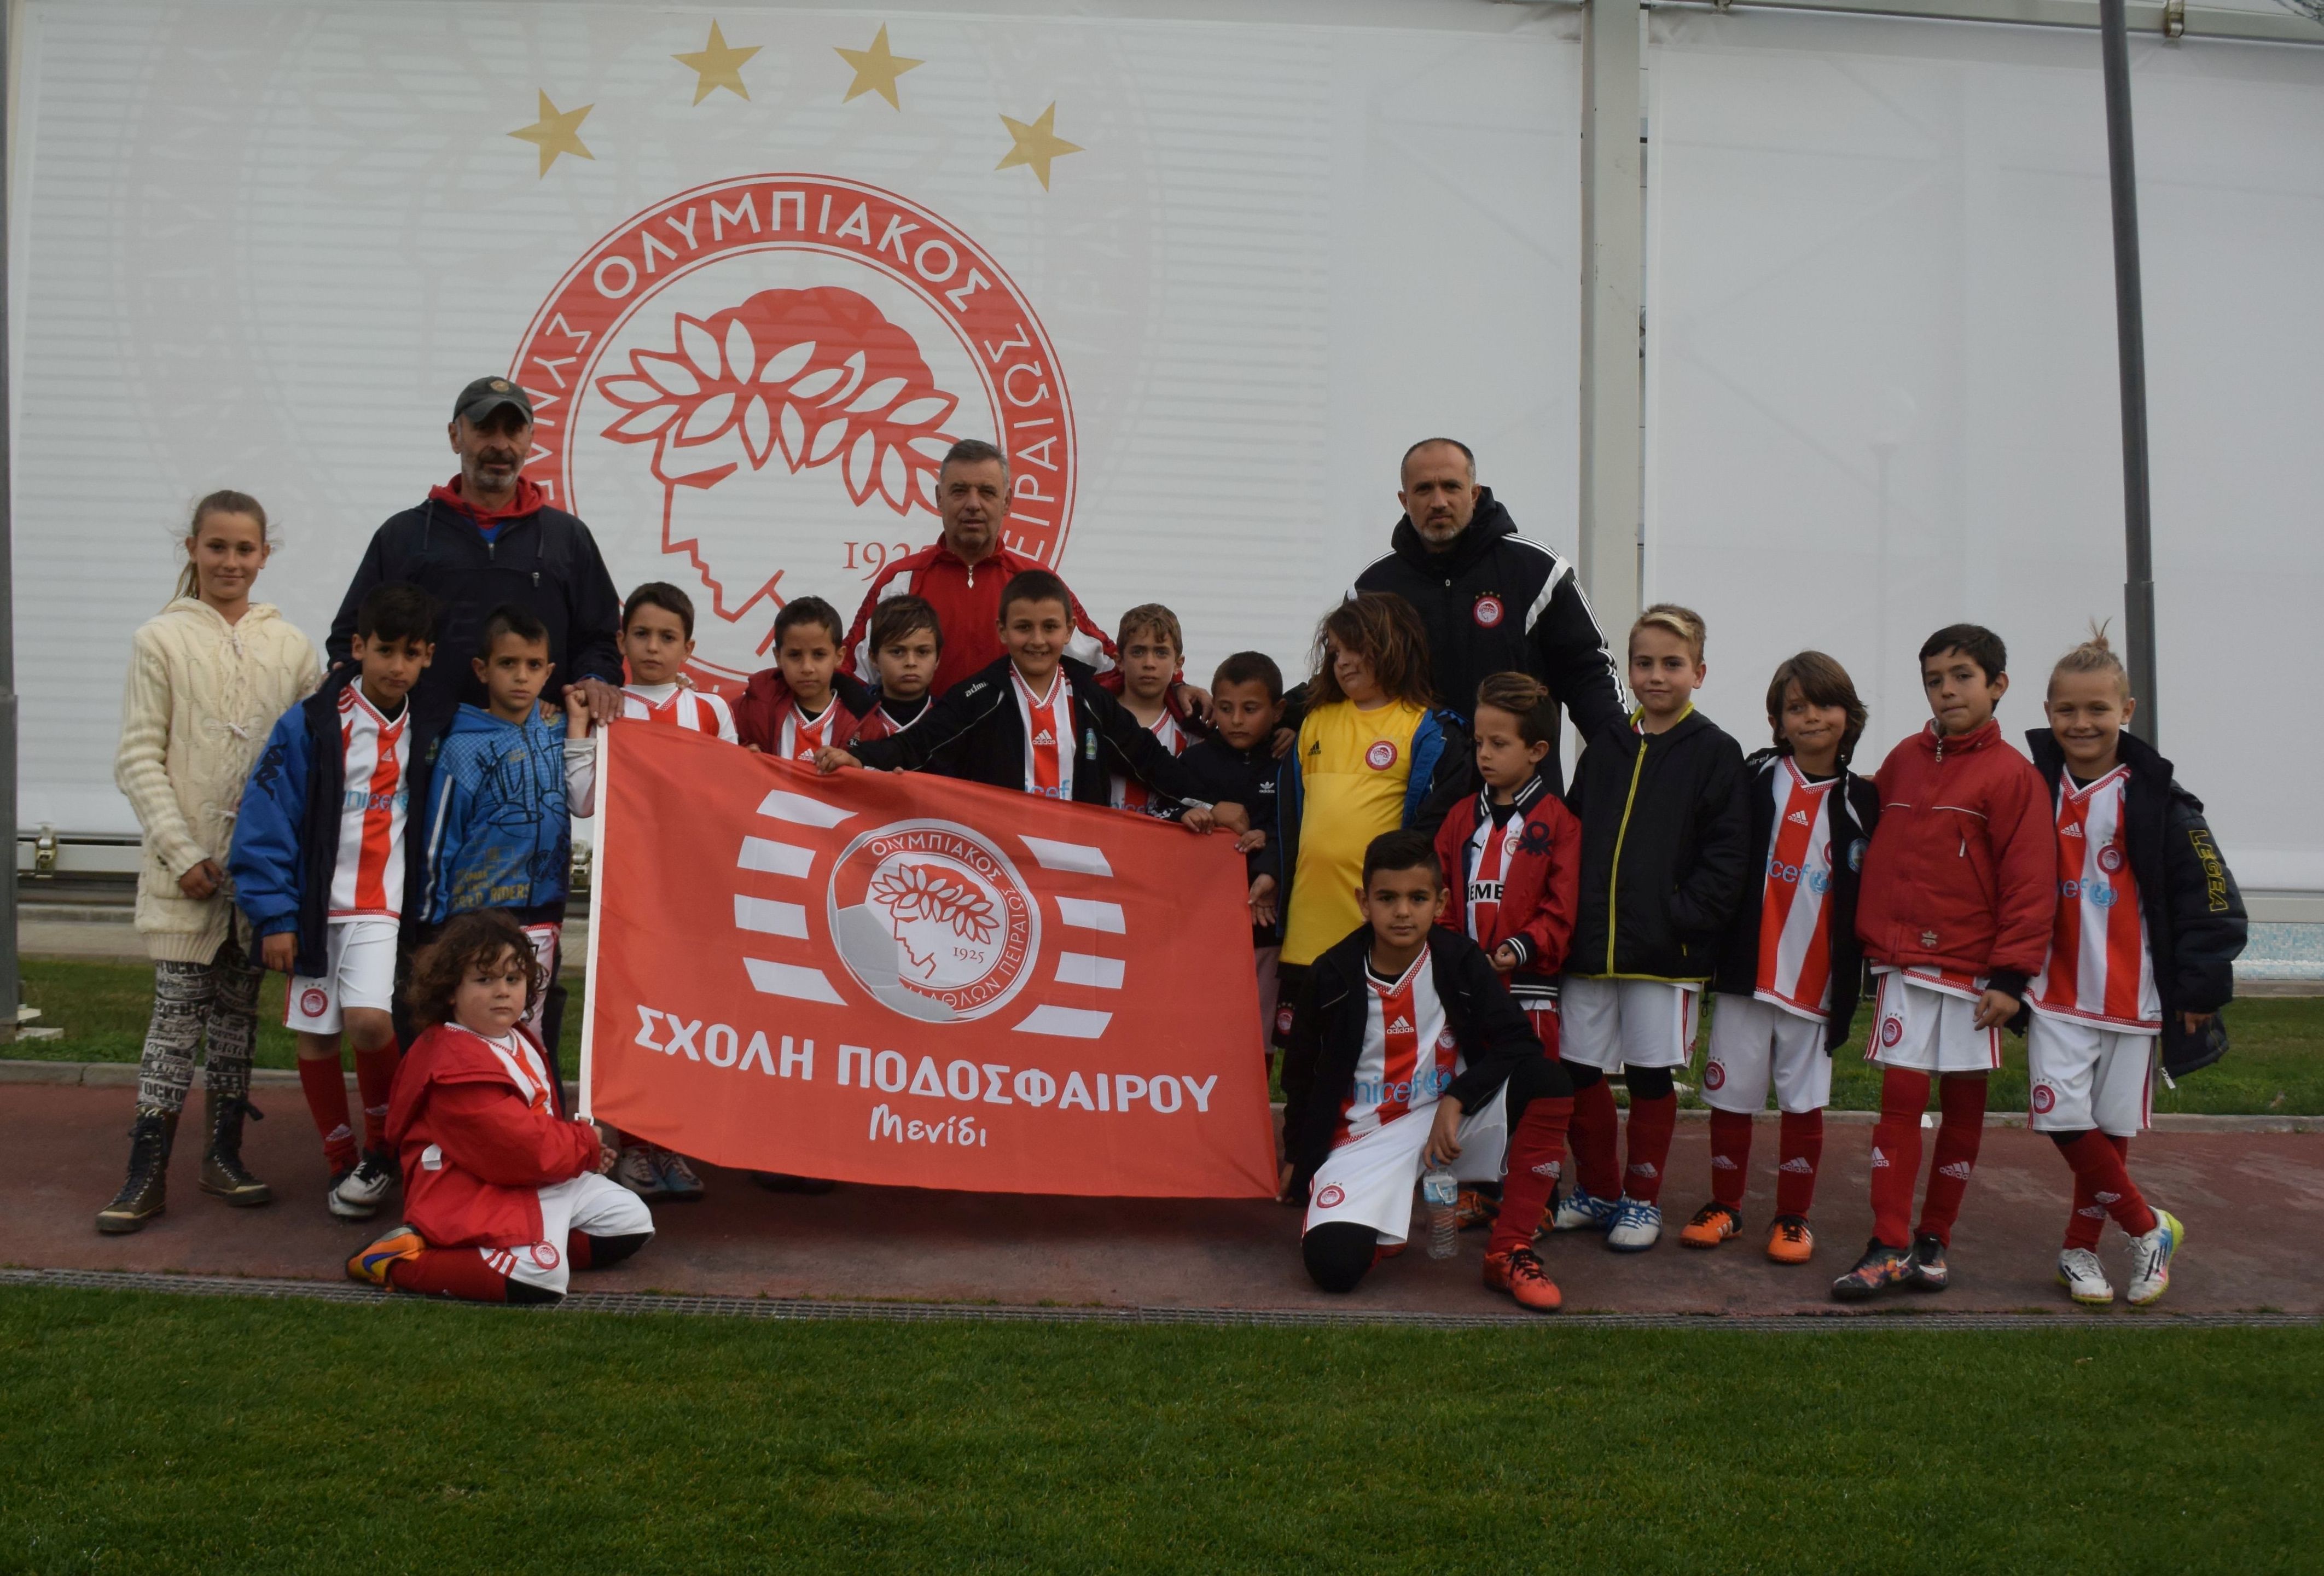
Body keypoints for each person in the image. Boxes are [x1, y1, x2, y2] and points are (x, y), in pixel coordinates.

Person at [98, 491, 321, 1233]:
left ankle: (224, 1155)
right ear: (192, 547)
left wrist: (279, 874)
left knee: (236, 1021)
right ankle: (145, 1171)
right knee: (174, 1020)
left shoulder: (291, 647)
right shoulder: (159, 639)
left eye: (244, 549)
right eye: (217, 546)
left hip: (256, 881)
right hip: (184, 877)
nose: (231, 561)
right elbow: (138, 758)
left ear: (265, 555)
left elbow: (308, 758)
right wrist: (182, 850)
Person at [1832, 625, 2056, 1303]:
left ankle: (1934, 1241)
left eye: (1962, 676)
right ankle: (1887, 1244)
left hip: (1975, 974)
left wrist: (2012, 978)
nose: (1947, 690)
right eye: (1935, 679)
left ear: (1998, 685)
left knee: (1963, 1106)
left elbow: (2030, 883)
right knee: (1900, 1101)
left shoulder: (2014, 776)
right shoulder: (1903, 757)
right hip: (1903, 964)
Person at [2023, 626, 2245, 1308]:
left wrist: (2201, 987)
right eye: (2067, 709)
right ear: (2048, 711)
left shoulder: (2162, 798)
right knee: (2060, 1114)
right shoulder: (2030, 786)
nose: (2081, 723)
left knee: (2111, 1128)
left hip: (2133, 993)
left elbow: (2211, 896)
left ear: (2127, 709)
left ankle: (2078, 1249)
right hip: (2053, 989)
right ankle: (2149, 1228)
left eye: (2098, 708)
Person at [1279, 830, 1574, 1311]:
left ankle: (1508, 1249)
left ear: (1440, 902)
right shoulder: (1330, 974)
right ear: (1364, 902)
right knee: (1334, 1267)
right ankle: (1380, 1228)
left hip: (1447, 1124)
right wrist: (1297, 1154)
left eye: (1417, 898)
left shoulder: (1459, 961)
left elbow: (1519, 1041)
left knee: (1548, 1081)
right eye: (1387, 898)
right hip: (1364, 1139)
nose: (1402, 912)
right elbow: (1299, 1074)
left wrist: (1457, 1098)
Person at [230, 582, 450, 1222]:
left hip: (379, 908)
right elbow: (267, 817)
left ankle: (382, 1148)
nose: (397, 666)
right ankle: (339, 1157)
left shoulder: (429, 729)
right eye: (385, 650)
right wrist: (274, 915)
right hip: (311, 911)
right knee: (317, 1036)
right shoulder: (312, 723)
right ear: (358, 647)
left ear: (429, 657)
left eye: (412, 653)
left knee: (371, 1023)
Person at [1553, 604, 1746, 1253]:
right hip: (1590, 948)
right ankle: (1598, 1190)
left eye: (1672, 663)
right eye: (1644, 663)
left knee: (1648, 1076)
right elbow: (1573, 833)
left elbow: (1727, 855)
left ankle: (1642, 1199)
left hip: (1664, 955)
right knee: (1578, 1068)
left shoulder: (1716, 751)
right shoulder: (1608, 744)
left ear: (1699, 672)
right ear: (1629, 670)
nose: (1656, 675)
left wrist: (1682, 918)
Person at [1680, 652, 1878, 1264]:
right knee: (1730, 1097)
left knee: (1803, 1102)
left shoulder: (1865, 801)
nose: (1811, 716)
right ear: (1778, 720)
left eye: (1825, 704)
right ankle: (1725, 1205)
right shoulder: (1755, 776)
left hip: (1816, 983)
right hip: (1747, 973)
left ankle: (1794, 1217)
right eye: (1797, 707)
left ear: (1850, 715)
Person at [348, 910, 653, 1304]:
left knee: (630, 1219)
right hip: (471, 1189)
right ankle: (397, 1261)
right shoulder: (453, 1062)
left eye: (513, 979)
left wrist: (581, 1150)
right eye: (485, 980)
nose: (502, 991)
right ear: (450, 991)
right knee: (542, 1278)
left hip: (523, 1176)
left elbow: (535, 1131)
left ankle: (526, 1249)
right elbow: (514, 1146)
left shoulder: (515, 1037)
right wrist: (583, 1144)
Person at [564, 582, 739, 1203]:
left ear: (690, 648)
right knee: (631, 1017)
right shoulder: (609, 707)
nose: (654, 647)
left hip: (692, 893)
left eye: (668, 637)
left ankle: (672, 1142)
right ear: (622, 641)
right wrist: (580, 729)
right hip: (628, 890)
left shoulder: (712, 711)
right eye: (642, 634)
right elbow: (583, 799)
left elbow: (730, 798)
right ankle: (634, 1146)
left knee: (685, 1019)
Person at [816, 571, 1220, 833]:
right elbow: (920, 744)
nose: (1038, 640)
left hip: (1078, 862)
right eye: (1024, 627)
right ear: (1003, 631)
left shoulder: (1092, 699)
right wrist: (861, 759)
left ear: (1069, 631)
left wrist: (1214, 805)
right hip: (1003, 862)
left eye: (1050, 627)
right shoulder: (979, 695)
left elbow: (1147, 757)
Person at [327, 377, 625, 722]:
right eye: (484, 429)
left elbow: (601, 640)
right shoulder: (404, 535)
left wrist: (594, 680)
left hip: (541, 742)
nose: (500, 445)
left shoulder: (568, 537)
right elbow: (351, 640)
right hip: (423, 741)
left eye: (513, 431)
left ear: (530, 440)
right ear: (455, 436)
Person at [1351, 438, 1626, 788]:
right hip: (1410, 800)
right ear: (1404, 501)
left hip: (1520, 801)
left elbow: (1588, 672)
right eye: (1424, 490)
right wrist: (1291, 716)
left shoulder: (1536, 571)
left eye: (1451, 487)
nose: (1439, 501)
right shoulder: (1373, 588)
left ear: (1474, 493)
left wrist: (1627, 753)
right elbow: (1339, 680)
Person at [1273, 593, 1466, 1060]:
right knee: (1305, 1065)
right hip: (1307, 929)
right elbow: (1289, 824)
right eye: (1335, 651)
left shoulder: (1427, 729)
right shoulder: (1315, 721)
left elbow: (1431, 833)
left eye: (1354, 648)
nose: (1342, 661)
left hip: (1375, 933)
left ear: (1391, 645)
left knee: (1371, 1058)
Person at [1431, 673, 1582, 1231]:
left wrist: (1522, 947)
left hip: (1530, 990)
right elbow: (1441, 896)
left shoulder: (1560, 822)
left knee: (1530, 1094)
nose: (1485, 754)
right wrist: (1456, 956)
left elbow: (1562, 908)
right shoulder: (1459, 818)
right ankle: (1479, 1189)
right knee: (1470, 1084)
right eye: (1479, 742)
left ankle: (1539, 1198)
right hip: (1470, 991)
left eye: (1500, 743)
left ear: (1537, 750)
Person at [839, 438, 1113, 696]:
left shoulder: (1038, 583)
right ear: (939, 498)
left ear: (1007, 501)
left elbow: (1108, 670)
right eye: (959, 491)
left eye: (987, 492)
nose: (973, 504)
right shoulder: (899, 581)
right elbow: (851, 675)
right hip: (921, 734)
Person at [422, 606, 572, 1049]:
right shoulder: (461, 746)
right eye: (508, 663)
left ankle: (534, 1095)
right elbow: (440, 840)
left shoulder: (562, 731)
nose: (521, 676)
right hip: (477, 914)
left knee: (532, 1030)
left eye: (533, 665)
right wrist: (433, 922)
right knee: (477, 1029)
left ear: (548, 673)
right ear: (482, 669)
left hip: (543, 911)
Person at [1182, 653, 1288, 1053]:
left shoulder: (1289, 762)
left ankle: (1254, 1096)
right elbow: (1166, 811)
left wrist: (1269, 844)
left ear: (1278, 711)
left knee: (1257, 1038)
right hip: (1203, 922)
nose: (1237, 720)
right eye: (1226, 709)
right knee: (1201, 1033)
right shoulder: (1196, 759)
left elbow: (1301, 825)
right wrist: (1204, 812)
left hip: (1265, 926)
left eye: (1251, 709)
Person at [735, 597, 871, 759]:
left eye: (819, 655)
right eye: (795, 655)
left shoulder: (864, 722)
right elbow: (713, 735)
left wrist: (856, 764)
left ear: (839, 657)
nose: (807, 668)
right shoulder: (754, 707)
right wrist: (742, 755)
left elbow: (879, 770)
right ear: (778, 657)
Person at [1109, 603, 1202, 815]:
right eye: (1138, 652)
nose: (1149, 663)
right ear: (1120, 661)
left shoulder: (1191, 734)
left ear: (1178, 664)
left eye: (1161, 653)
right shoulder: (1094, 717)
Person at [855, 594, 944, 742]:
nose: (911, 662)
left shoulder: (949, 722)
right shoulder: (850, 715)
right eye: (897, 652)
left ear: (937, 658)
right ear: (874, 658)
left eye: (922, 652)